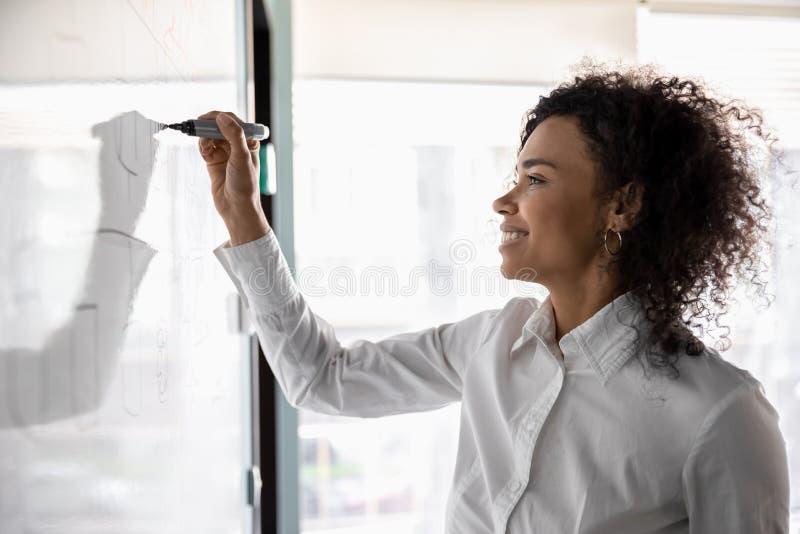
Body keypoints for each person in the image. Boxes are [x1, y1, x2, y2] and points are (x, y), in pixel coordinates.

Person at [198, 63, 790, 533]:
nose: (504, 202)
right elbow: (323, 379)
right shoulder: (490, 342)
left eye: (535, 180)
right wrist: (243, 218)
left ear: (623, 206)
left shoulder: (723, 414)